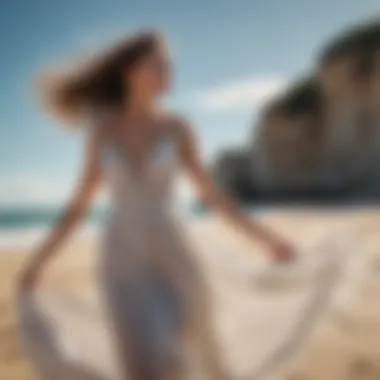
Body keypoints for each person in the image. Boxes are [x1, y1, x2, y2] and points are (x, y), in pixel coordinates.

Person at [18, 29, 295, 380]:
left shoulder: (177, 128)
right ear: (130, 71)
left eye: (169, 65)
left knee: (182, 357)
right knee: (140, 368)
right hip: (121, 262)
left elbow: (212, 196)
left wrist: (267, 239)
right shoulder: (102, 130)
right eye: (158, 65)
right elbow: (79, 206)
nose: (168, 73)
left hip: (175, 254)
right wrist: (39, 261)